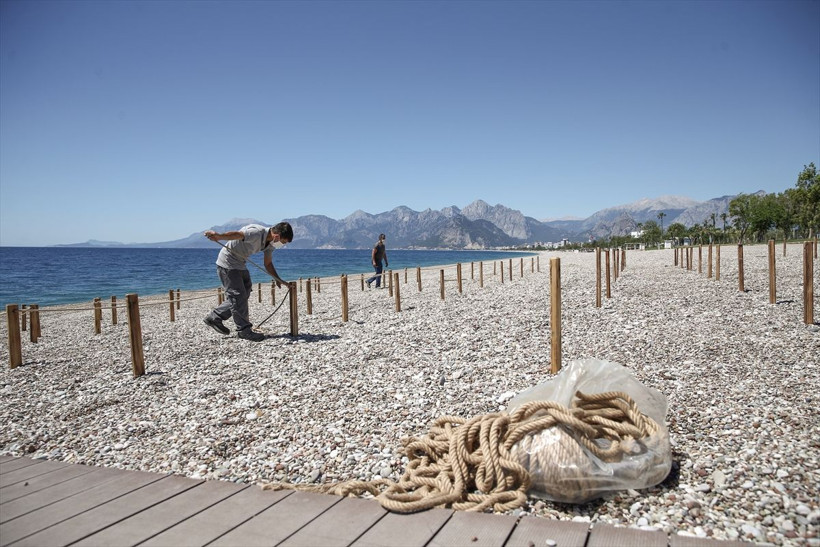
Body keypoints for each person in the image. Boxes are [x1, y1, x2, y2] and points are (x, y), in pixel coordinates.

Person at [203, 222, 293, 341]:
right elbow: (237, 235)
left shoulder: (270, 244)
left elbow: (268, 263)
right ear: (277, 236)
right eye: (284, 242)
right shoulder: (256, 232)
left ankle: (215, 317)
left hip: (240, 263)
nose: (283, 245)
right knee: (237, 296)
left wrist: (278, 279)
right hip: (227, 263)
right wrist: (219, 236)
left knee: (245, 292)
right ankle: (244, 331)